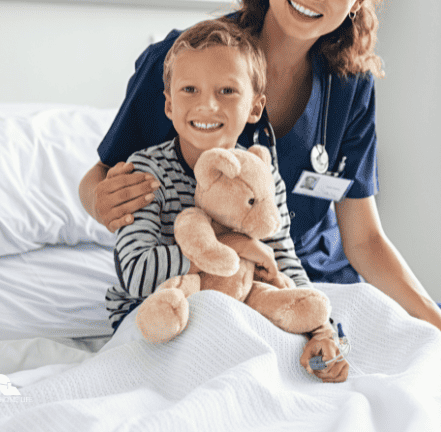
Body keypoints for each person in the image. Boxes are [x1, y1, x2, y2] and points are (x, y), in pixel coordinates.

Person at [80, 0, 441, 355]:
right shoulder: (189, 61)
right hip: (212, 284)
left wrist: (440, 327)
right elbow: (98, 180)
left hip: (315, 282)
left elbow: (363, 238)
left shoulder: (350, 86)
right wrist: (102, 201)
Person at [105, 19, 349, 383]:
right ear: (169, 105)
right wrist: (234, 246)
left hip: (243, 304)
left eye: (227, 91)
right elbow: (136, 274)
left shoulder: (261, 174)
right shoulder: (145, 172)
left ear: (255, 107)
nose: (207, 105)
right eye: (190, 89)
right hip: (160, 317)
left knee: (283, 362)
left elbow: (282, 261)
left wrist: (323, 331)